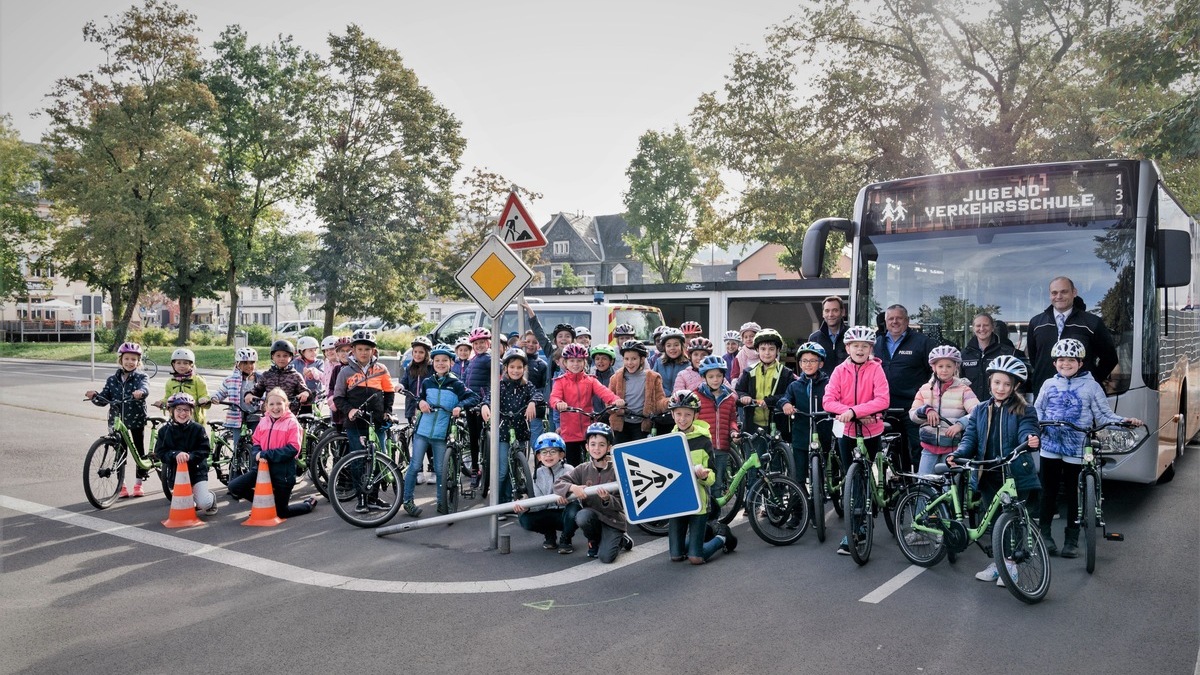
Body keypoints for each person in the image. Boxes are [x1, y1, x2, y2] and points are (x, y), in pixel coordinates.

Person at [1034, 338, 1142, 558]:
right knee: (1048, 492)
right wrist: (1035, 428)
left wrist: (1124, 421)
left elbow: (1103, 414)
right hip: (1050, 445)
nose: (1066, 364)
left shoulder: (1091, 386)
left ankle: (1072, 539)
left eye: (1071, 360)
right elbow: (1037, 411)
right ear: (1054, 363)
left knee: (1074, 494)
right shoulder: (1048, 384)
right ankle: (1045, 535)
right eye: (1061, 360)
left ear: (1080, 363)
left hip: (1076, 447)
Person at [947, 355, 1040, 585]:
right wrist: (958, 454)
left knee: (1014, 520)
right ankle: (1000, 563)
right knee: (994, 521)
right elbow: (970, 438)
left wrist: (1030, 439)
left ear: (1015, 386)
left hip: (1015, 473)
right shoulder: (980, 410)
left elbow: (1027, 429)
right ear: (990, 382)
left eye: (1007, 384)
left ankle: (1011, 564)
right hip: (988, 473)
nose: (1001, 388)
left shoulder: (1025, 410)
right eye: (997, 382)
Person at [823, 326, 891, 555]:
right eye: (855, 346)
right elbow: (828, 401)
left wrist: (855, 411)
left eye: (864, 346)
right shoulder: (839, 371)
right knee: (854, 479)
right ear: (848, 348)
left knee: (868, 475)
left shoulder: (876, 369)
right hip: (848, 431)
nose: (860, 350)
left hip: (872, 430)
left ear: (870, 349)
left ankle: (868, 510)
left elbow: (883, 399)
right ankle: (856, 528)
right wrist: (852, 413)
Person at [403, 343, 481, 516]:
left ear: (451, 363)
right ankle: (407, 501)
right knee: (414, 466)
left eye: (444, 360)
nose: (440, 363)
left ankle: (441, 502)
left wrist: (460, 406)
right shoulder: (427, 382)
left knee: (440, 470)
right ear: (433, 362)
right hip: (422, 431)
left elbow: (474, 397)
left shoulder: (456, 384)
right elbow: (419, 398)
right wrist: (420, 403)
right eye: (437, 360)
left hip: (441, 434)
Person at [332, 329, 397, 513]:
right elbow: (338, 398)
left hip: (377, 422)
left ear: (373, 351)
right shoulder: (345, 372)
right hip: (356, 424)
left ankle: (374, 498)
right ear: (353, 350)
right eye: (359, 349)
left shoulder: (381, 369)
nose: (363, 352)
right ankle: (361, 499)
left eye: (367, 349)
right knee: (359, 461)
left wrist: (387, 411)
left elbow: (389, 392)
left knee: (378, 459)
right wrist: (350, 410)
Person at [665, 390, 733, 564]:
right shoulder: (668, 441)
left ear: (695, 415)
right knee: (676, 556)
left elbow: (713, 477)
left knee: (695, 558)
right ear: (672, 414)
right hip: (677, 504)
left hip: (698, 503)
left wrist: (703, 476)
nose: (682, 419)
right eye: (678, 414)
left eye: (688, 414)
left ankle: (722, 537)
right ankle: (706, 532)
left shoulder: (703, 441)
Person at [227, 387, 318, 517]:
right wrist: (257, 453)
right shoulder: (263, 421)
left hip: (283, 475)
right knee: (234, 487)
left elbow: (293, 449)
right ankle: (266, 503)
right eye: (272, 404)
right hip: (262, 470)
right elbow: (256, 441)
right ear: (266, 406)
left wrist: (266, 455)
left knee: (282, 513)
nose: (275, 407)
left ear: (286, 405)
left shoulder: (292, 423)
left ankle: (308, 504)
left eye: (279, 403)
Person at [553, 422, 634, 562]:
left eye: (602, 445)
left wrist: (607, 499)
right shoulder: (582, 469)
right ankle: (594, 541)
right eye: (593, 444)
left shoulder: (617, 469)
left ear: (609, 447)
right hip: (592, 517)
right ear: (587, 447)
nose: (597, 448)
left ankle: (622, 539)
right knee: (582, 516)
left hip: (613, 521)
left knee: (606, 558)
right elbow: (558, 484)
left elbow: (624, 503)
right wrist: (573, 488)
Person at [1026, 276, 1119, 394]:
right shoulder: (1036, 323)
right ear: (1050, 295)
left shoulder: (1092, 323)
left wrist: (1092, 381)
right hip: (1046, 394)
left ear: (1074, 292)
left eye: (1064, 292)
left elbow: (1109, 358)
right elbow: (1035, 359)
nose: (1059, 296)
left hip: (1082, 396)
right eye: (1054, 293)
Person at [86, 342, 151, 498]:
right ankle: (122, 485)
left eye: (133, 359)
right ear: (121, 360)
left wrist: (141, 392)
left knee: (139, 451)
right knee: (120, 453)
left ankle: (138, 483)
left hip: (135, 418)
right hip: (116, 421)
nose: (130, 362)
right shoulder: (112, 380)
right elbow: (104, 399)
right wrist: (95, 396)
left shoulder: (141, 377)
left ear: (138, 362)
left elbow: (145, 388)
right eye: (127, 358)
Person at [873, 304, 933, 471]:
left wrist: (927, 398)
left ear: (907, 321)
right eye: (891, 318)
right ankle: (898, 484)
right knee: (891, 451)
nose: (895, 322)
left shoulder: (922, 342)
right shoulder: (876, 343)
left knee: (917, 447)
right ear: (885, 322)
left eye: (899, 318)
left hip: (912, 407)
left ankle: (920, 484)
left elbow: (934, 372)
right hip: (884, 407)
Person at [550, 343, 624, 466]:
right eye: (572, 361)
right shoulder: (560, 381)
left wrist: (615, 400)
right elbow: (554, 397)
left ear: (585, 362)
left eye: (579, 361)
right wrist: (558, 403)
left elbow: (604, 392)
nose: (575, 364)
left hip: (588, 429)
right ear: (565, 363)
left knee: (597, 460)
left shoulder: (590, 380)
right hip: (570, 432)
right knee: (573, 465)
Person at [910, 345, 979, 475]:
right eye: (940, 366)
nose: (944, 370)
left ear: (955, 367)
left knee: (949, 485)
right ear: (933, 367)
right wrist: (925, 410)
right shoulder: (925, 389)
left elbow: (977, 412)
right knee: (923, 483)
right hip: (928, 448)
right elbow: (913, 414)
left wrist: (960, 424)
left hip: (952, 449)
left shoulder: (964, 390)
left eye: (949, 366)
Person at [514, 432, 580, 553]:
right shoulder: (536, 474)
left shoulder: (569, 469)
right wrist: (526, 506)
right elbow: (540, 504)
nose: (548, 455)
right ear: (539, 456)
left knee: (574, 511)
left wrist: (567, 499)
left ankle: (566, 538)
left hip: (565, 512)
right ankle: (549, 534)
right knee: (525, 519)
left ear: (561, 454)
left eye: (553, 451)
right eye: (544, 452)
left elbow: (578, 497)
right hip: (548, 511)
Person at [491, 348, 543, 504]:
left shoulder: (527, 386)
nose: (515, 370)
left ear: (524, 368)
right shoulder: (500, 386)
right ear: (506, 368)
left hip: (520, 432)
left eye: (519, 367)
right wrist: (485, 406)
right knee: (503, 471)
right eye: (512, 367)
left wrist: (532, 402)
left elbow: (538, 394)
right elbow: (488, 397)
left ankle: (510, 500)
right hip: (503, 433)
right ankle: (498, 502)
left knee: (516, 468)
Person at [153, 393, 217, 516]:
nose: (183, 413)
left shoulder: (198, 429)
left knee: (203, 503)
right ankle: (193, 499)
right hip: (177, 474)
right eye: (179, 409)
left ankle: (211, 498)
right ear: (171, 411)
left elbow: (205, 450)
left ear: (191, 412)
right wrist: (175, 454)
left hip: (197, 472)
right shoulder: (164, 431)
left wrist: (190, 456)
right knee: (184, 504)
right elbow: (160, 452)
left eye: (187, 410)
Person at [780, 342, 831, 486]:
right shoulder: (795, 385)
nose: (808, 364)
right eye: (804, 361)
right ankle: (800, 498)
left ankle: (826, 493)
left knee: (827, 471)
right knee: (799, 474)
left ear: (820, 364)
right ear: (800, 364)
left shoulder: (828, 384)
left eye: (813, 361)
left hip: (824, 434)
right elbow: (785, 398)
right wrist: (786, 404)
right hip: (801, 435)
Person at [734, 328, 796, 437]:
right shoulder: (749, 372)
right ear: (757, 350)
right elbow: (738, 391)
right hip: (752, 425)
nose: (767, 353)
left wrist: (769, 401)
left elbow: (790, 395)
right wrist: (744, 396)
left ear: (778, 350)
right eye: (763, 349)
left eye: (771, 349)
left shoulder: (786, 373)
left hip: (778, 424)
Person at [694, 355, 739, 502]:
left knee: (717, 485)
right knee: (700, 485)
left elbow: (732, 419)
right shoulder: (695, 396)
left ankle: (715, 515)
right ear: (704, 377)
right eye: (711, 376)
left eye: (719, 376)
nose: (715, 380)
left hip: (722, 448)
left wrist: (734, 431)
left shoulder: (729, 398)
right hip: (703, 449)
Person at [608, 340, 667, 444]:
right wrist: (615, 403)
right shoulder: (616, 377)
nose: (629, 363)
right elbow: (608, 400)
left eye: (634, 359)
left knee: (640, 451)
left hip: (642, 424)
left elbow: (659, 401)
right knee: (619, 449)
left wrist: (667, 403)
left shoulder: (653, 378)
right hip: (621, 424)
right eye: (626, 359)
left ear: (642, 359)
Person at [204, 347, 260, 451]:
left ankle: (253, 460)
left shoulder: (259, 380)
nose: (249, 366)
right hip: (237, 419)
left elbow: (267, 393)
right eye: (245, 363)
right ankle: (236, 460)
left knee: (257, 444)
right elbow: (221, 392)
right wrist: (214, 398)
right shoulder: (230, 380)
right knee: (238, 446)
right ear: (237, 364)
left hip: (256, 417)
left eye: (252, 362)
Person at [961, 313, 1025, 402]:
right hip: (971, 407)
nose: (982, 329)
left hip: (1001, 407)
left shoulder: (1008, 353)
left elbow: (1019, 385)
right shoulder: (964, 355)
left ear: (992, 327)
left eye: (986, 325)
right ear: (973, 328)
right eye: (978, 326)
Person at [400, 335, 435, 484]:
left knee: (430, 441)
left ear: (427, 353)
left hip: (428, 409)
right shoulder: (409, 368)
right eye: (415, 352)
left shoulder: (431, 368)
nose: (417, 355)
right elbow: (404, 382)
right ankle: (418, 471)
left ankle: (433, 470)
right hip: (413, 410)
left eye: (421, 352)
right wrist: (400, 386)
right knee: (416, 442)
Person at [463, 327, 493, 488]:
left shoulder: (489, 359)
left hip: (483, 404)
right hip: (471, 403)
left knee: (482, 437)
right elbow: (463, 380)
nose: (479, 345)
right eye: (476, 343)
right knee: (473, 438)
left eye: (482, 342)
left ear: (488, 343)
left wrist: (487, 399)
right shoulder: (473, 360)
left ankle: (486, 465)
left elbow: (499, 375)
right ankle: (475, 469)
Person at [245, 339, 310, 410]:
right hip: (269, 412)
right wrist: (249, 394)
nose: (281, 358)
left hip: (288, 413)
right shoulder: (267, 375)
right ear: (272, 356)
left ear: (291, 357)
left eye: (285, 356)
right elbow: (257, 390)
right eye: (278, 356)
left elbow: (305, 391)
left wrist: (305, 393)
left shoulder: (295, 376)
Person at [157, 347, 210, 425]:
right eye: (178, 363)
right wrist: (162, 403)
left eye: (185, 363)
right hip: (176, 419)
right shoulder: (170, 382)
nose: (182, 366)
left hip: (194, 420)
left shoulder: (198, 380)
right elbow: (168, 398)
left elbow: (205, 395)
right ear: (173, 364)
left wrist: (204, 400)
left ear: (191, 365)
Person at [808, 295, 849, 376]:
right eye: (827, 311)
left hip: (847, 383)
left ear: (843, 312)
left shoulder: (851, 337)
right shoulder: (814, 339)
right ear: (823, 313)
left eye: (835, 310)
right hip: (822, 383)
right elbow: (809, 366)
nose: (830, 314)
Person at [291, 335, 323, 409]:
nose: (314, 353)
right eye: (310, 350)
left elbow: (322, 376)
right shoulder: (295, 363)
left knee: (314, 415)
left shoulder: (319, 363)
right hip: (298, 397)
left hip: (314, 397)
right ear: (302, 351)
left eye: (315, 350)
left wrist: (313, 373)